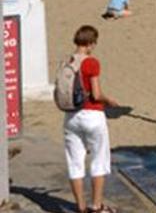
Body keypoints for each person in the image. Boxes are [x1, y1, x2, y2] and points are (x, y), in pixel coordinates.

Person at [63, 26, 119, 213]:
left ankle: (80, 207)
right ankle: (96, 206)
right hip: (92, 115)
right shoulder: (91, 63)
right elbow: (96, 93)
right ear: (90, 44)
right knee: (99, 160)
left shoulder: (67, 61)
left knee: (75, 162)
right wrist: (109, 100)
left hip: (71, 116)